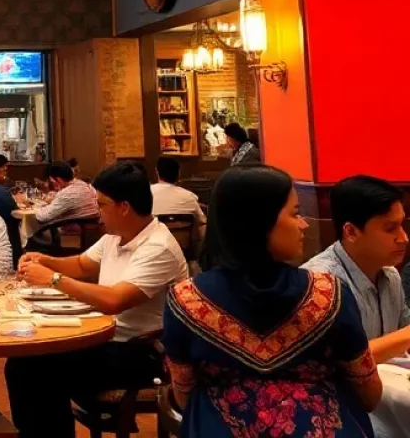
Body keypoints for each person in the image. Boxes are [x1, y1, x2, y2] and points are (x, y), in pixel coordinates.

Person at [163, 165, 382, 437]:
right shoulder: (329, 295)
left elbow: (183, 391)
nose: (304, 224)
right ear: (259, 222)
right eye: (295, 213)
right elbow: (369, 393)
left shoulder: (186, 301)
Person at [7, 162, 187, 438]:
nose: (96, 213)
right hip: (106, 341)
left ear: (123, 207)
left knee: (39, 370)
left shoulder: (158, 247)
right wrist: (46, 261)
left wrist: (52, 279)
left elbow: (115, 300)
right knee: (23, 361)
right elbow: (82, 265)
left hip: (142, 351)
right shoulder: (116, 237)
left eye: (101, 205)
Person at [304, 175, 410, 438]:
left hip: (383, 399)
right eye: (390, 229)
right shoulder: (320, 284)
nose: (404, 238)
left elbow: (401, 342)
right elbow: (338, 366)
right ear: (351, 231)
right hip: (338, 416)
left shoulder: (390, 275)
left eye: (403, 225)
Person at [151, 155, 206, 243]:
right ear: (178, 174)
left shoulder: (145, 194)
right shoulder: (189, 197)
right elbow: (202, 224)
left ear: (157, 172)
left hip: (152, 249)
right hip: (185, 252)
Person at [32, 161, 99, 226]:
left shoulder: (67, 193)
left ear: (59, 179)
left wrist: (34, 207)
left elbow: (43, 217)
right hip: (91, 229)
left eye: (52, 181)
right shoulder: (84, 185)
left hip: (73, 234)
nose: (53, 184)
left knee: (32, 229)